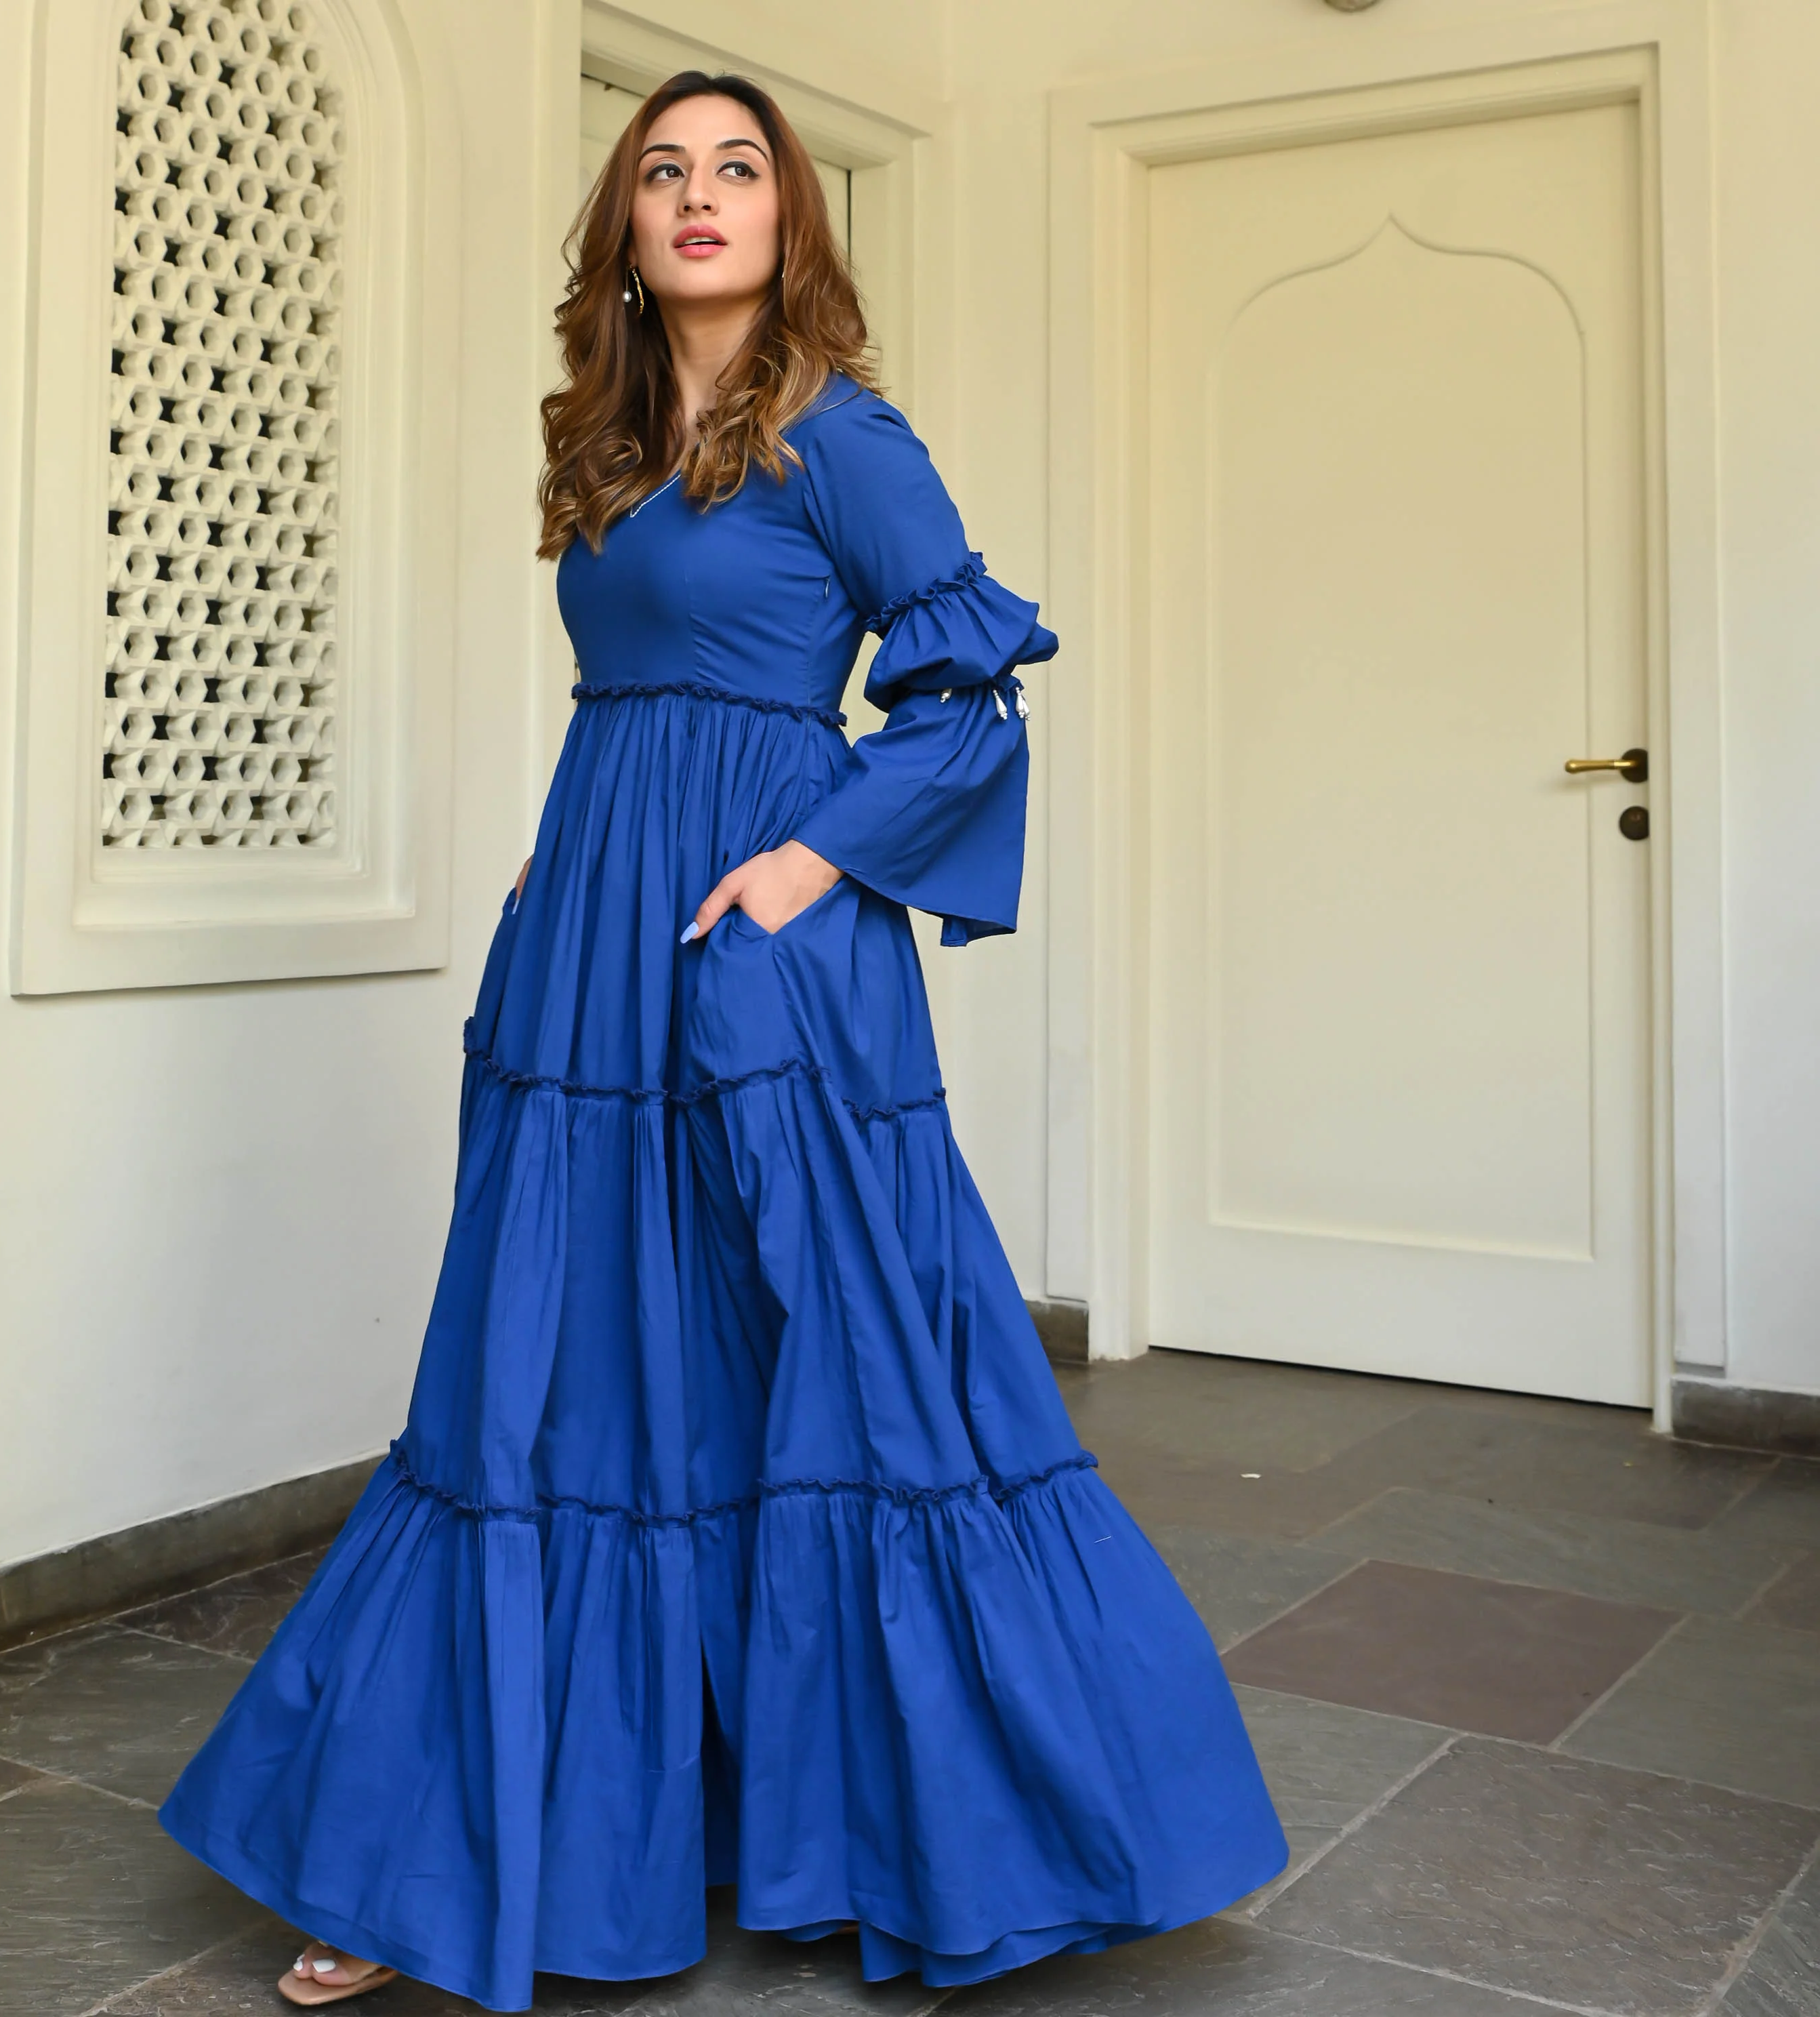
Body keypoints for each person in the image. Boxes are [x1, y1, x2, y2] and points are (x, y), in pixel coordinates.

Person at [159, 68, 1287, 2012]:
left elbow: (971, 697)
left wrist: (808, 866)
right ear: (626, 223)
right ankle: (433, 1863)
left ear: (787, 219)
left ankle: (926, 1825)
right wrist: (563, 863)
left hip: (766, 949)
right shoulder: (607, 443)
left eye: (738, 169)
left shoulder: (840, 432)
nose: (699, 195)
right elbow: (632, 701)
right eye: (664, 170)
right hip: (595, 937)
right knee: (560, 1366)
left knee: (846, 1363)